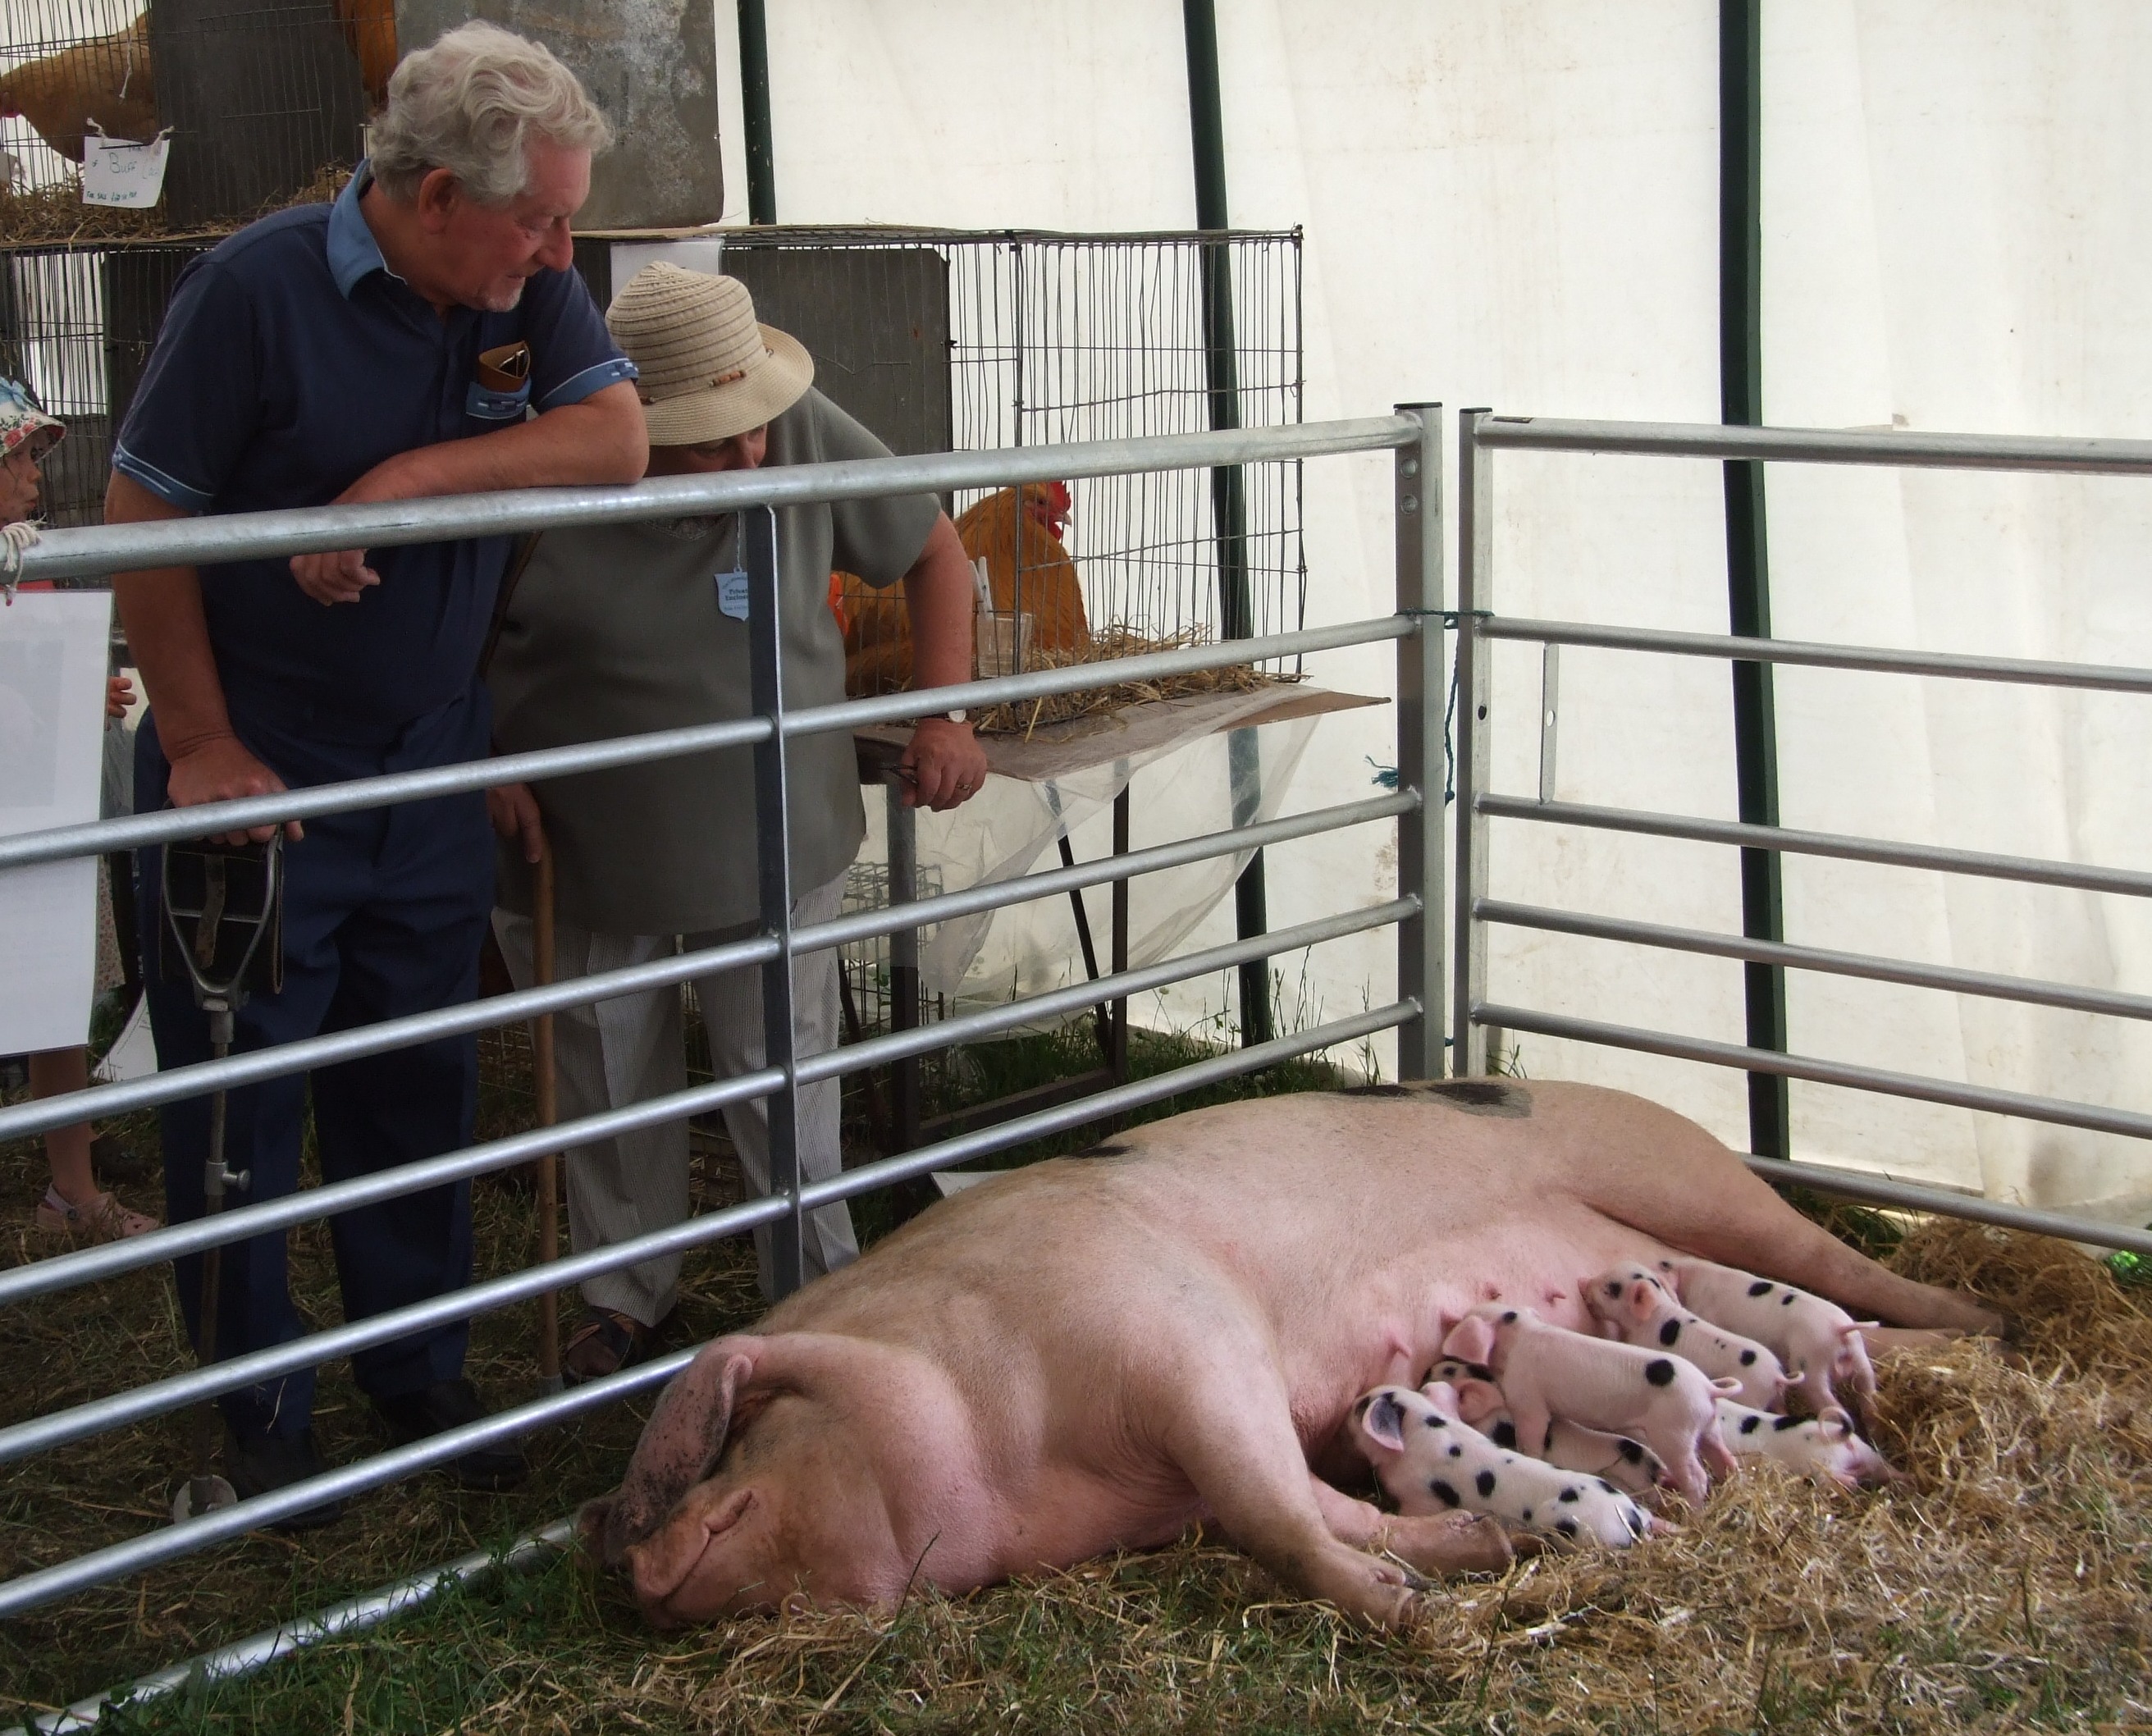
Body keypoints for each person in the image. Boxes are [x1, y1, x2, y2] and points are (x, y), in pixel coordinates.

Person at [104, 22, 647, 1524]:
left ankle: (415, 1375)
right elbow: (142, 516)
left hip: (427, 761)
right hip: (260, 767)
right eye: (537, 218)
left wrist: (402, 485)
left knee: (418, 1074)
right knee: (245, 1097)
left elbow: (612, 442)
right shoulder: (253, 291)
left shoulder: (524, 291)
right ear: (434, 196)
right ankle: (258, 1407)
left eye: (566, 219)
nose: (561, 252)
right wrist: (200, 744)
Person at [484, 265, 990, 1382]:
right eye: (708, 446)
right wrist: (479, 755)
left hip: (773, 819)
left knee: (780, 1062)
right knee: (604, 1054)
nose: (749, 456)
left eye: (753, 429)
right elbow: (432, 615)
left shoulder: (786, 422)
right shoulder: (535, 443)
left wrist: (944, 712)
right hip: (584, 829)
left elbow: (931, 546)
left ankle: (812, 1290)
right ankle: (625, 1293)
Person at [2, 377, 158, 1242]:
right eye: (18, 458)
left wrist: (74, 695)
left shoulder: (26, 557)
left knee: (55, 994)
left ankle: (71, 1190)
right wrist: (60, 697)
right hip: (19, 813)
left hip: (40, 817)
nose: (35, 474)